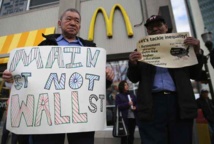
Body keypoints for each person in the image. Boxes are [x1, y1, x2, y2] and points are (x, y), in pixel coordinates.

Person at [2, 8, 114, 144]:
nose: (73, 23)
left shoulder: (91, 50)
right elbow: (31, 78)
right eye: (69, 19)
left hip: (81, 114)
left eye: (77, 21)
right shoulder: (44, 46)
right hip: (49, 115)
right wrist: (13, 79)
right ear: (60, 23)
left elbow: (97, 84)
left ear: (79, 26)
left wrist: (108, 77)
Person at [127, 15, 204, 144]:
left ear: (166, 27)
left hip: (179, 103)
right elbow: (133, 79)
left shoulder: (184, 46)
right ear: (147, 31)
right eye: (151, 27)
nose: (155, 28)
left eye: (159, 25)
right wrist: (133, 64)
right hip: (152, 104)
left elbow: (195, 74)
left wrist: (197, 52)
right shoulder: (141, 50)